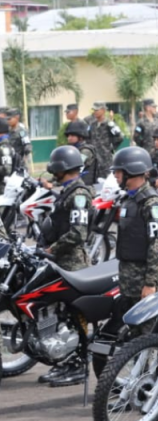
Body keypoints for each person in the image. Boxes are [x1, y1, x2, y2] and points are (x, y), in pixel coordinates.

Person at [34, 146, 95, 387]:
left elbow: (78, 233)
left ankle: (80, 365)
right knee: (63, 315)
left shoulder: (79, 194)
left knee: (75, 316)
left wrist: (51, 250)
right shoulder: (68, 191)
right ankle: (67, 360)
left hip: (73, 265)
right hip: (60, 264)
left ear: (62, 167)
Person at [112, 147, 158, 335]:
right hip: (130, 280)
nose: (115, 175)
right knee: (135, 333)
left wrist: (150, 283)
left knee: (152, 332)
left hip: (145, 279)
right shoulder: (130, 199)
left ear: (132, 171)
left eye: (118, 171)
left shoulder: (151, 203)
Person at [88, 103, 125, 175]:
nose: (95, 112)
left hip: (105, 160)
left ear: (103, 110)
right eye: (94, 110)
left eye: (97, 110)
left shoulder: (109, 124)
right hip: (94, 160)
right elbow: (88, 138)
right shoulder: (92, 124)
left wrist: (111, 147)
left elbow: (120, 137)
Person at [63, 120, 99, 186]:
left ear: (80, 137)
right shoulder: (72, 150)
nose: (69, 138)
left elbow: (74, 168)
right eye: (68, 135)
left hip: (85, 188)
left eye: (72, 135)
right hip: (74, 186)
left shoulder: (86, 151)